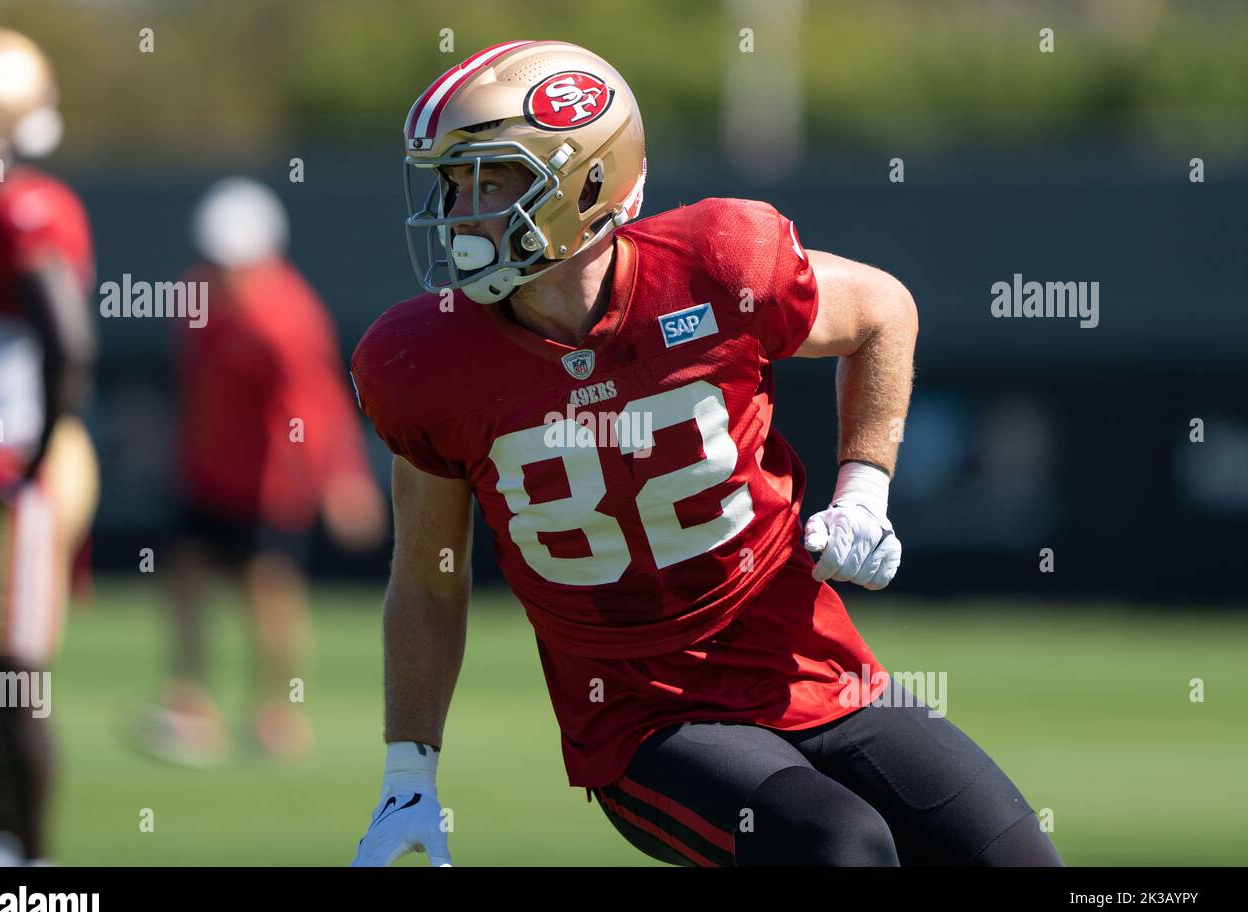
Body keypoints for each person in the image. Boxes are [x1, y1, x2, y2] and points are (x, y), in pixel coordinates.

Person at [349, 40, 1062, 866]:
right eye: (450, 181)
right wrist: (410, 767)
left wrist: (865, 490)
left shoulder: (719, 264)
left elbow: (882, 312)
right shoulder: (423, 362)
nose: (458, 208)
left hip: (808, 662)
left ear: (587, 182)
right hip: (644, 716)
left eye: (490, 178)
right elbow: (429, 580)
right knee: (837, 847)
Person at [133, 178, 386, 766]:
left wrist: (342, 480)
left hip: (271, 482)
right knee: (185, 576)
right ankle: (190, 704)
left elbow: (318, 404)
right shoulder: (195, 301)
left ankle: (275, 714)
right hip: (205, 473)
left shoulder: (287, 318)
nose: (222, 272)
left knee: (268, 591)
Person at [0, 27, 98, 866]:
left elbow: (67, 342)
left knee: (7, 674)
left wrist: (33, 465)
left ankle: (33, 868)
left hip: (4, 472)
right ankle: (0, 845)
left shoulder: (24, 205)